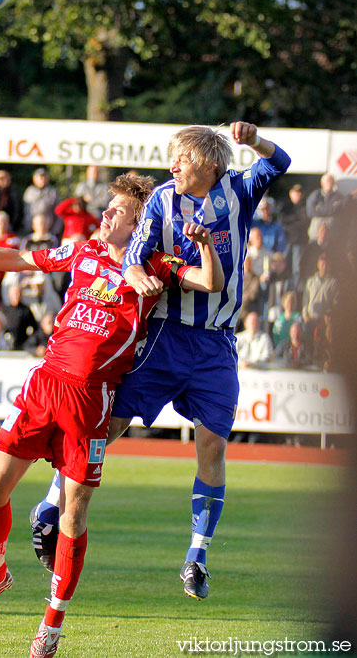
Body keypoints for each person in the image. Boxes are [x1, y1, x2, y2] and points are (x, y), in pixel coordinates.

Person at [0, 173, 224, 657]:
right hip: (45, 384)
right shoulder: (81, 251)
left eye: (116, 211)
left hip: (92, 400)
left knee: (73, 512)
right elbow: (17, 259)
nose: (104, 215)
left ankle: (52, 624)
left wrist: (205, 244)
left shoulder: (155, 266)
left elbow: (210, 281)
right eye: (107, 208)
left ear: (139, 222)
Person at [29, 121, 291, 602]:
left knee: (212, 446)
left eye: (183, 158)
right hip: (165, 336)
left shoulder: (238, 188)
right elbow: (136, 250)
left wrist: (252, 139)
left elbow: (280, 162)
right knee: (109, 427)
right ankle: (50, 502)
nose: (173, 165)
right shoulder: (163, 199)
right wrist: (133, 272)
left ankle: (197, 557)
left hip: (217, 344)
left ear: (209, 165)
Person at [306, 173, 346, 241]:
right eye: (327, 181)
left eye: (331, 181)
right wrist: (331, 208)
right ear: (322, 183)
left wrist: (320, 208)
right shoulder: (315, 195)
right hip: (315, 234)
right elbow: (310, 212)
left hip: (332, 234)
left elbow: (339, 210)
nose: (329, 183)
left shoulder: (338, 196)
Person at [23, 167, 60, 234]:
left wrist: (55, 230)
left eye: (44, 177)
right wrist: (28, 227)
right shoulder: (29, 192)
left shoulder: (53, 192)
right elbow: (26, 212)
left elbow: (58, 212)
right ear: (34, 179)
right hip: (31, 229)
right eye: (40, 177)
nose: (42, 179)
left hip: (49, 229)